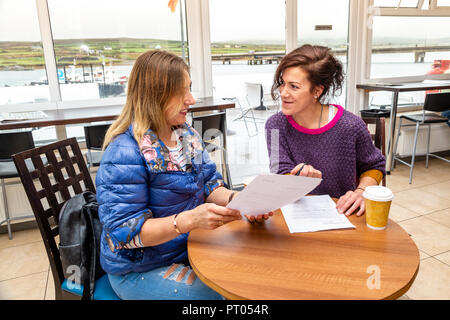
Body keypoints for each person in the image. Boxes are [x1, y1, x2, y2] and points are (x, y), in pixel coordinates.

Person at [96, 50, 247, 300]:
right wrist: (187, 220)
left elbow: (210, 184)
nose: (191, 99)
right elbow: (124, 234)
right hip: (140, 268)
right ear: (155, 95)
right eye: (182, 91)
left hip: (186, 251)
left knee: (244, 275)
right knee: (217, 296)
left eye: (190, 88)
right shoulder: (123, 152)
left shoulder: (185, 134)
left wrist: (238, 199)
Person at [265, 44, 386, 217]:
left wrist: (361, 192)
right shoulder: (275, 125)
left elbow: (375, 165)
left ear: (317, 91)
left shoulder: (350, 126)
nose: (283, 93)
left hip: (342, 214)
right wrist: (297, 178)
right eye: (282, 84)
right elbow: (279, 170)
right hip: (295, 214)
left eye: (294, 86)